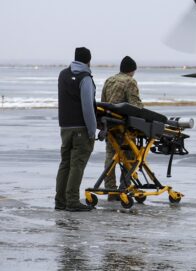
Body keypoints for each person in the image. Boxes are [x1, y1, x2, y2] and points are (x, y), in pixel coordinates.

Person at [56, 47, 97, 211]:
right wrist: (92, 130)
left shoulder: (63, 74)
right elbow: (87, 106)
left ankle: (60, 201)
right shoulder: (85, 77)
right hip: (81, 127)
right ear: (89, 60)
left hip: (65, 126)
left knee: (65, 163)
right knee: (77, 165)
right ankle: (72, 201)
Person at [100, 56, 142, 199]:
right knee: (129, 158)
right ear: (132, 70)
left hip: (110, 126)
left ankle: (110, 190)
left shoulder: (109, 80)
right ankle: (124, 188)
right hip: (125, 128)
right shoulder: (130, 82)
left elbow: (103, 103)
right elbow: (135, 106)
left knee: (110, 157)